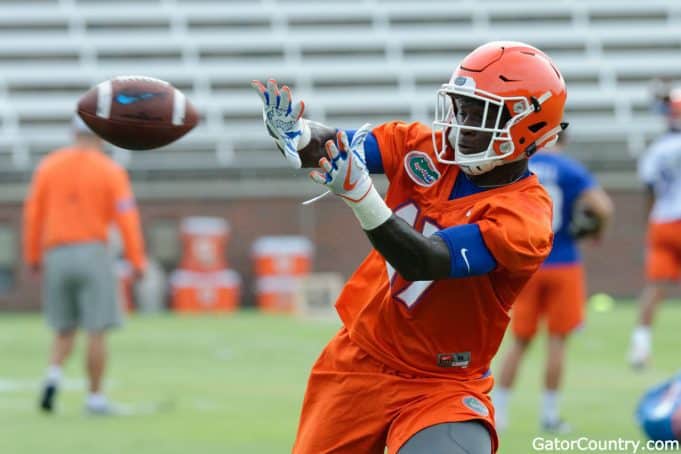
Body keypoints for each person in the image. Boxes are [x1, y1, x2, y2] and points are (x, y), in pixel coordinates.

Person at [253, 40, 567, 454]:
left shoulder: (525, 217)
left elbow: (426, 260)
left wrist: (362, 197)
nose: (464, 123)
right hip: (358, 360)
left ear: (526, 123)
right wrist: (299, 134)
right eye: (463, 108)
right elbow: (335, 148)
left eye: (481, 113)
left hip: (441, 386)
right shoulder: (422, 146)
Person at [23, 116, 146, 414]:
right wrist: (136, 259)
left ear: (72, 133)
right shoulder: (110, 170)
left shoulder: (48, 166)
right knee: (96, 329)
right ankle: (95, 398)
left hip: (56, 253)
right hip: (93, 252)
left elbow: (33, 214)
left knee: (63, 328)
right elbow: (126, 218)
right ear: (102, 137)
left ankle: (53, 375)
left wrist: (32, 256)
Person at [493, 132, 613, 433]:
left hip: (527, 265)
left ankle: (500, 413)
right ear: (564, 140)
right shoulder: (570, 169)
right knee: (557, 341)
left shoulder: (519, 165)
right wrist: (596, 232)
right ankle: (549, 415)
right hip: (564, 263)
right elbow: (603, 207)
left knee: (519, 342)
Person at [629, 88, 681, 369]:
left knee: (655, 289)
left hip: (662, 221)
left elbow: (649, 191)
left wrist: (648, 226)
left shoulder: (656, 150)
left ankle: (640, 346)